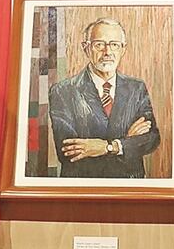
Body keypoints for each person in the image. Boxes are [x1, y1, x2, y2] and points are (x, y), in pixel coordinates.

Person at [48, 17, 159, 178]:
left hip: (130, 185)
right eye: (99, 44)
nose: (107, 52)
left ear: (123, 49)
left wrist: (109, 147)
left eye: (114, 45)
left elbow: (152, 139)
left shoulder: (136, 88)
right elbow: (68, 152)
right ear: (86, 48)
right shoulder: (63, 91)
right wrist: (128, 142)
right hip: (85, 186)